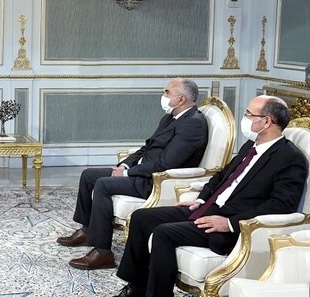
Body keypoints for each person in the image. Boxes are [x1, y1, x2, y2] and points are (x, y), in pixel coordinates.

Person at [114, 95, 308, 297]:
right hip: (207, 208)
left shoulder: (290, 158)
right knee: (141, 217)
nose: (244, 118)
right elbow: (221, 176)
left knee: (164, 233)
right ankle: (137, 289)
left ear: (266, 121)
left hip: (231, 225)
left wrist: (229, 223)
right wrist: (200, 200)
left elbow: (280, 205)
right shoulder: (249, 146)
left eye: (249, 114)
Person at [57, 78, 209, 270]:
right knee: (88, 175)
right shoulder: (170, 118)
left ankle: (103, 253)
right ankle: (88, 231)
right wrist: (124, 166)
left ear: (181, 99)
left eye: (167, 92)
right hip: (142, 172)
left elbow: (166, 164)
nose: (163, 96)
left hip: (156, 181)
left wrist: (128, 174)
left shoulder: (193, 124)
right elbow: (147, 148)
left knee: (103, 184)